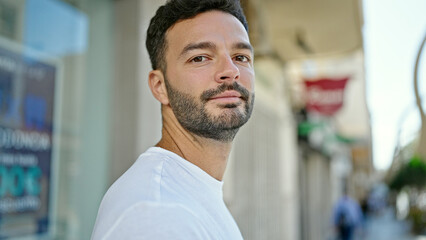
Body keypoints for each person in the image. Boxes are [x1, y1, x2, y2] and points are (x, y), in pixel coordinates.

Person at [91, 0, 255, 239]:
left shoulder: (188, 194)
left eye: (241, 57)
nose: (230, 70)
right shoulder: (158, 215)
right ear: (160, 86)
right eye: (200, 58)